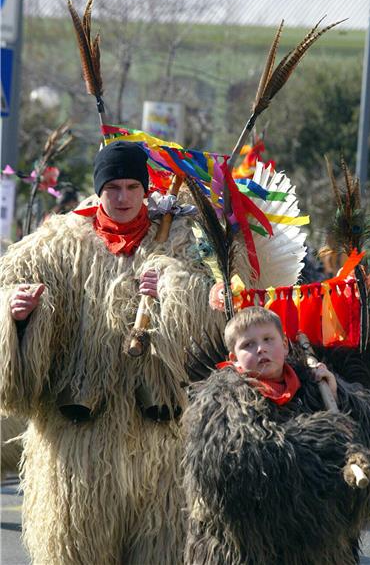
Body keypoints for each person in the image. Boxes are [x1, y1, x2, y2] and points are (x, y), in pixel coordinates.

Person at [0, 141, 220, 565]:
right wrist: (20, 313)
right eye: (112, 187)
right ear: (98, 190)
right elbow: (13, 288)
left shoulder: (183, 242)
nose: (122, 198)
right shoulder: (57, 245)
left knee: (163, 548)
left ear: (145, 188)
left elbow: (218, 306)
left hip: (160, 438)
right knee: (77, 549)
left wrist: (174, 292)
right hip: (77, 440)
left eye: (132, 186)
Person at [183, 306, 370, 565]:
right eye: (248, 345)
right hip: (249, 547)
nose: (260, 349)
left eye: (268, 340)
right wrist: (324, 443)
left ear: (285, 346)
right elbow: (239, 465)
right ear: (233, 358)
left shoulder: (313, 387)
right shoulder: (221, 404)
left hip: (317, 543)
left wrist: (340, 395)